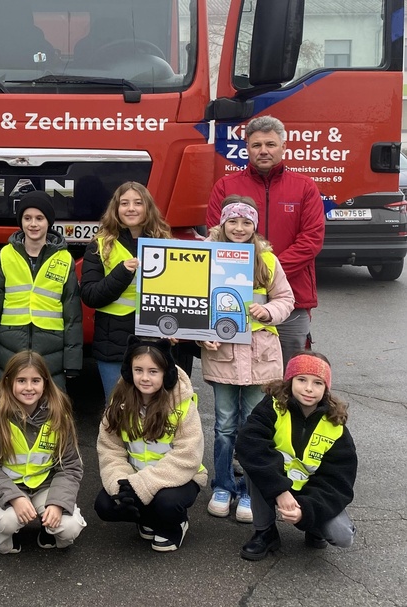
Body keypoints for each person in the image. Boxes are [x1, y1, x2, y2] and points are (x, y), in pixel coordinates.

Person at [199, 196, 295, 524]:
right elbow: (195, 303)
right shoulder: (207, 258)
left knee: (252, 427)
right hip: (222, 356)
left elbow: (286, 298)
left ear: (254, 226)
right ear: (222, 224)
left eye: (246, 222)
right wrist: (202, 334)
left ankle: (249, 488)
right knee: (224, 425)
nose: (239, 228)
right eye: (233, 222)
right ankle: (223, 485)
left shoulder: (266, 259)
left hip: (260, 357)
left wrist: (268, 310)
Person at [207, 115, 326, 365]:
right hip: (237, 296)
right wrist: (248, 275)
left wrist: (267, 272)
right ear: (247, 148)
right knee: (238, 370)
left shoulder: (305, 187)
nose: (264, 151)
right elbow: (215, 236)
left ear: (283, 146)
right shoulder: (225, 186)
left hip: (293, 297)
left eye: (270, 144)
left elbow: (311, 240)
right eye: (257, 145)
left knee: (291, 370)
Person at [237, 352, 356, 561]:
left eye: (318, 383)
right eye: (302, 380)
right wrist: (280, 490)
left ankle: (315, 527)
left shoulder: (335, 426)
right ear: (290, 381)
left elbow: (339, 481)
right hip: (277, 482)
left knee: (343, 536)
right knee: (253, 463)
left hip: (311, 490)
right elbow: (250, 444)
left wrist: (308, 511)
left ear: (326, 389)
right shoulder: (272, 407)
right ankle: (265, 531)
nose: (309, 388)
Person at [94, 337, 207, 552]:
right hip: (136, 475)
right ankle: (149, 518)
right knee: (105, 505)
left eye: (153, 371)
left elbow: (188, 456)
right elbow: (110, 449)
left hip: (178, 478)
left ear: (166, 373)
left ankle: (176, 524)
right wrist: (122, 484)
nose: (145, 378)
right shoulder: (118, 403)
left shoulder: (183, 406)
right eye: (138, 370)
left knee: (166, 504)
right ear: (130, 371)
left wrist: (143, 485)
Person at [0, 350, 86, 554]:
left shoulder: (60, 416)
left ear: (45, 383)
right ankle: (9, 531)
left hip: (47, 486)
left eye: (35, 380)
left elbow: (70, 466)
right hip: (11, 486)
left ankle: (48, 529)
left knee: (70, 528)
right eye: (21, 380)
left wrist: (58, 503)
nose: (28, 387)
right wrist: (13, 497)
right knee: (7, 522)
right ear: (8, 382)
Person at [0, 191, 83, 391]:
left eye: (39, 218)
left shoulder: (64, 258)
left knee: (50, 409)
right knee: (6, 406)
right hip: (9, 344)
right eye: (27, 218)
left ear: (49, 222)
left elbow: (73, 315)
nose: (33, 224)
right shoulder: (5, 255)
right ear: (21, 222)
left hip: (51, 346)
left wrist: (72, 362)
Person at [80, 181, 172, 400]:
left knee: (152, 413)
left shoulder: (166, 243)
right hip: (113, 344)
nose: (131, 208)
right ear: (116, 208)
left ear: (148, 207)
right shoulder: (99, 245)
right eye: (125, 203)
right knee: (116, 410)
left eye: (138, 203)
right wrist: (121, 272)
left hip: (153, 340)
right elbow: (90, 295)